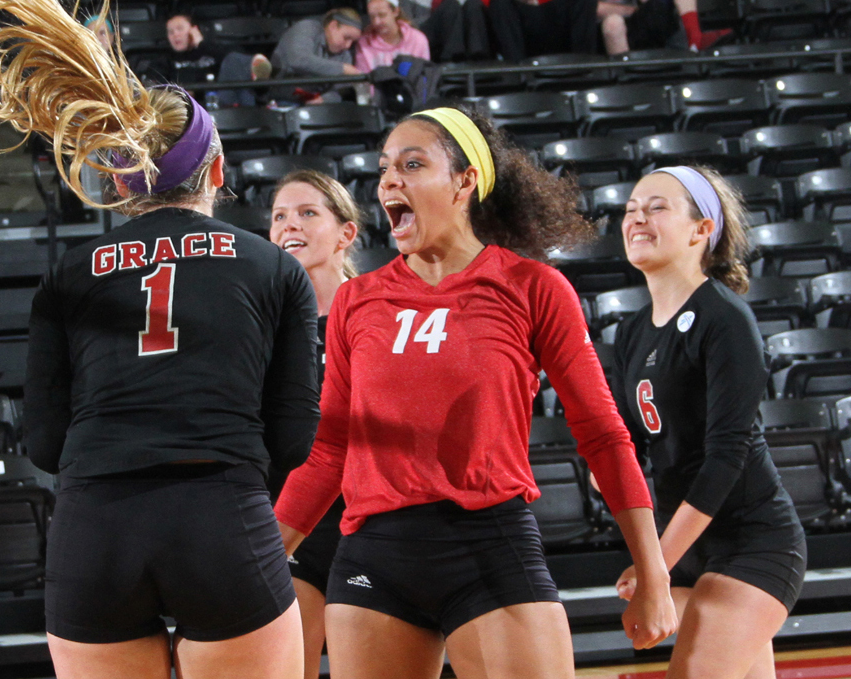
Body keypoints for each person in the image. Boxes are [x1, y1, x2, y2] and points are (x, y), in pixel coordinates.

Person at [0, 0, 320, 677]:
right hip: (221, 517)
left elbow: (46, 444)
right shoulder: (276, 268)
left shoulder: (67, 274)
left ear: (117, 179)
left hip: (95, 532)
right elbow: (293, 441)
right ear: (218, 172)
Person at [274, 106, 678, 679]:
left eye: (413, 164)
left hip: (488, 543)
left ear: (465, 181)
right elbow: (331, 450)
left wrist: (653, 572)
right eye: (386, 167)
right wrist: (259, 562)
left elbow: (603, 434)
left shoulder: (534, 288)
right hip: (373, 555)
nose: (389, 179)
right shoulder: (357, 301)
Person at [612, 166, 807, 678]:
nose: (637, 217)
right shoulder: (631, 332)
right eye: (631, 208)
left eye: (657, 207)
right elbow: (627, 449)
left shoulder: (724, 318)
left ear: (703, 230)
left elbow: (726, 458)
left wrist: (656, 566)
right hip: (688, 549)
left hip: (752, 541)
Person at [269, 170, 360, 679]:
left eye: (308, 213)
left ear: (345, 233)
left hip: (367, 519)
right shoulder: (263, 327)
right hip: (292, 518)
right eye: (279, 216)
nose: (290, 225)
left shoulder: (376, 310)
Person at [269, 8, 362, 105]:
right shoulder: (307, 28)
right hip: (283, 99)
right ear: (333, 26)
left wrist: (324, 99)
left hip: (319, 107)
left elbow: (340, 90)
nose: (348, 46)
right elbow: (298, 60)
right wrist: (341, 69)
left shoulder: (345, 55)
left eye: (352, 42)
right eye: (346, 38)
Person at [599, 0, 731, 55]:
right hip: (599, 30)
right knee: (613, 23)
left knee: (661, 5)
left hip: (642, 21)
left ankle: (693, 41)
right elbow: (590, 9)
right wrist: (632, 10)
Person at [355, 0, 431, 73]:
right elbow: (363, 81)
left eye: (382, 15)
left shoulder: (417, 39)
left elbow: (424, 76)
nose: (376, 22)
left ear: (395, 12)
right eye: (372, 17)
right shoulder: (364, 43)